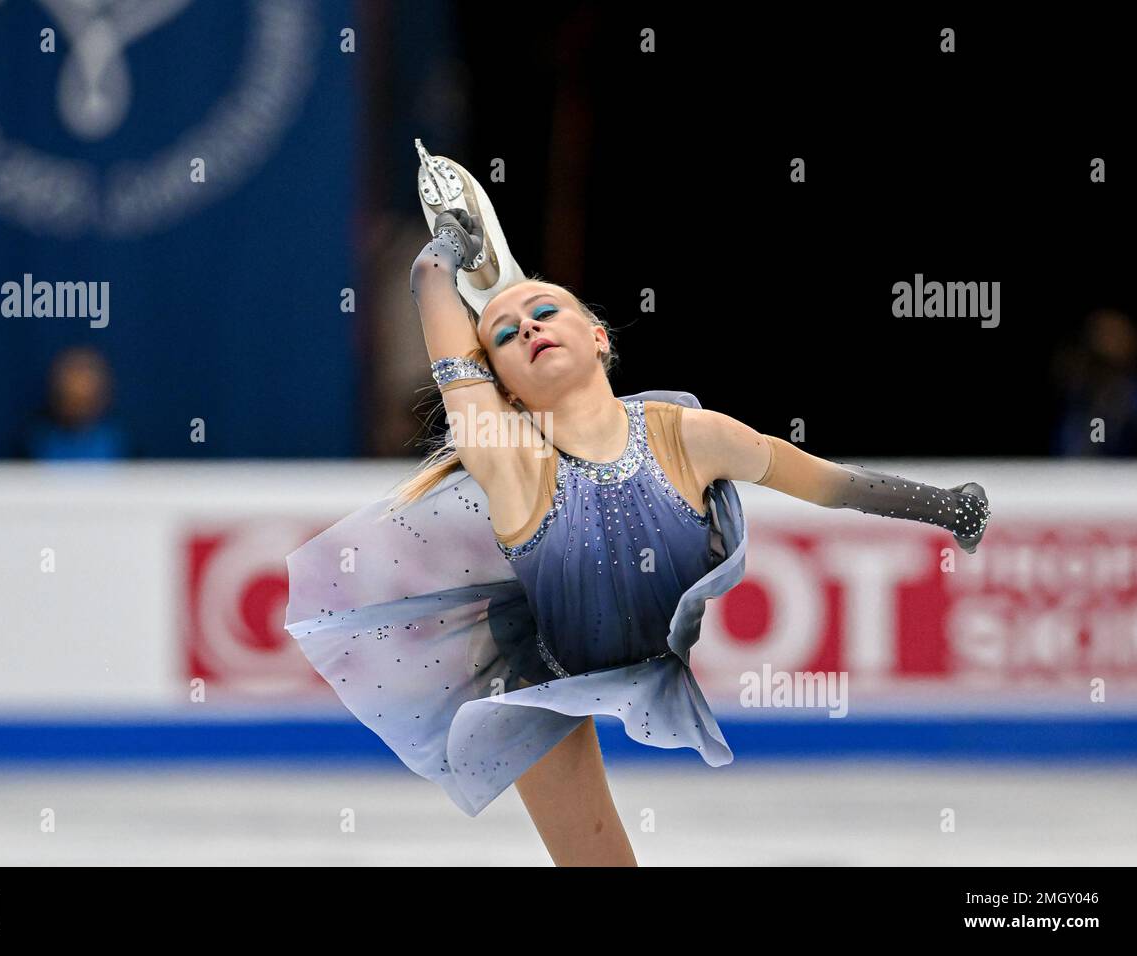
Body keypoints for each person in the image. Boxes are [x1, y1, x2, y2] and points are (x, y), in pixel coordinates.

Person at [284, 147, 990, 866]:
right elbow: (446, 343)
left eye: (544, 309)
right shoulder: (512, 462)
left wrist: (943, 506)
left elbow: (823, 481)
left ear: (597, 336)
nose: (527, 326)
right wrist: (439, 258)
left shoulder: (690, 436)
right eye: (503, 334)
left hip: (656, 647)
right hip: (547, 675)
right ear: (506, 389)